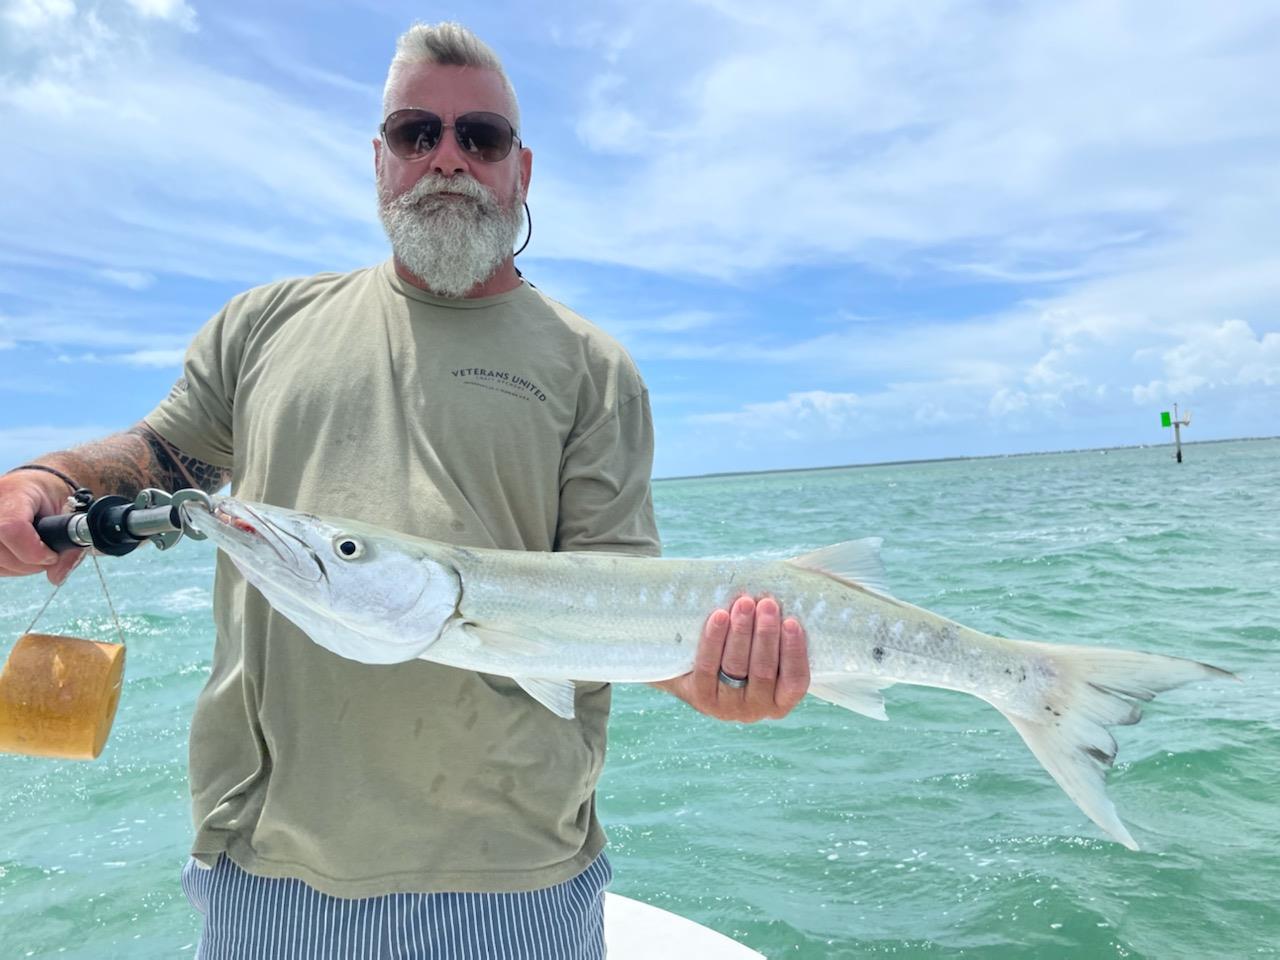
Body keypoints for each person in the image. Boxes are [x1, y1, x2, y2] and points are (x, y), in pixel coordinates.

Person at [0, 22, 810, 959]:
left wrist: (717, 674)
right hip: (271, 869)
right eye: (417, 133)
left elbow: (616, 600)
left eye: (482, 138)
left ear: (523, 170)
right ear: (380, 159)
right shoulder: (265, 325)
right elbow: (168, 459)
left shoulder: (594, 368)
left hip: (517, 876)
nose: (449, 160)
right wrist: (50, 479)